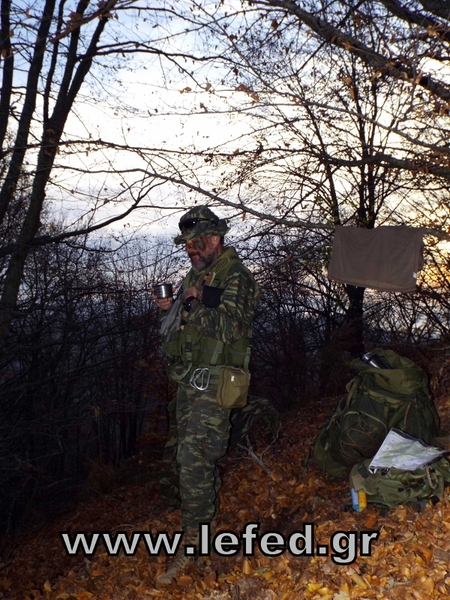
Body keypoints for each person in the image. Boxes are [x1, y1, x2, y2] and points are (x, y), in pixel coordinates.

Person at [154, 205, 260, 583]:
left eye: (196, 244)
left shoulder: (238, 278)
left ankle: (193, 548)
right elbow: (180, 329)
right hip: (190, 380)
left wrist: (194, 303)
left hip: (217, 383)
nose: (190, 251)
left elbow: (232, 328)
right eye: (186, 245)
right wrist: (170, 309)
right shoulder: (195, 276)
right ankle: (205, 528)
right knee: (190, 459)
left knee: (194, 460)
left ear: (215, 239)